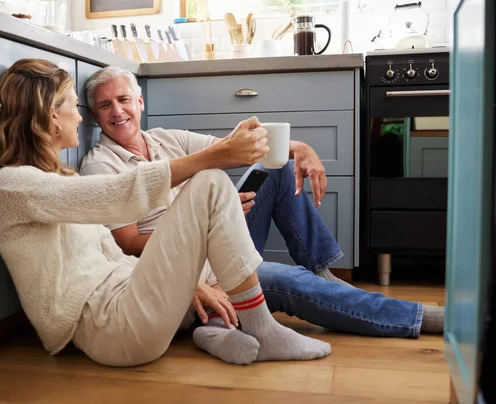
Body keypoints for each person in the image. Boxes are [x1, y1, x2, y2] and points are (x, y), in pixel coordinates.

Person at [78, 66, 445, 363]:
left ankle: (312, 277)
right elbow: (124, 243)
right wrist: (201, 233)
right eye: (105, 105)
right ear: (95, 116)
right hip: (183, 271)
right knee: (293, 283)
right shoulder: (100, 166)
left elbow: (237, 148)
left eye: (123, 99)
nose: (117, 111)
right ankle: (419, 317)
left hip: (220, 245)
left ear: (140, 101)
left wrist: (300, 148)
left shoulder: (165, 139)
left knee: (280, 167)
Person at [0, 58, 333, 368]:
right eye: (77, 107)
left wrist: (190, 282)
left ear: (139, 102)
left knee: (220, 187)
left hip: (134, 301)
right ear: (51, 114)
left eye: (122, 101)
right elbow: (120, 199)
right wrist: (213, 160)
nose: (80, 116)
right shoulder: (13, 186)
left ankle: (214, 327)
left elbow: (110, 256)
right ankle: (261, 328)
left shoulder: (58, 178)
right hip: (111, 328)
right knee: (211, 183)